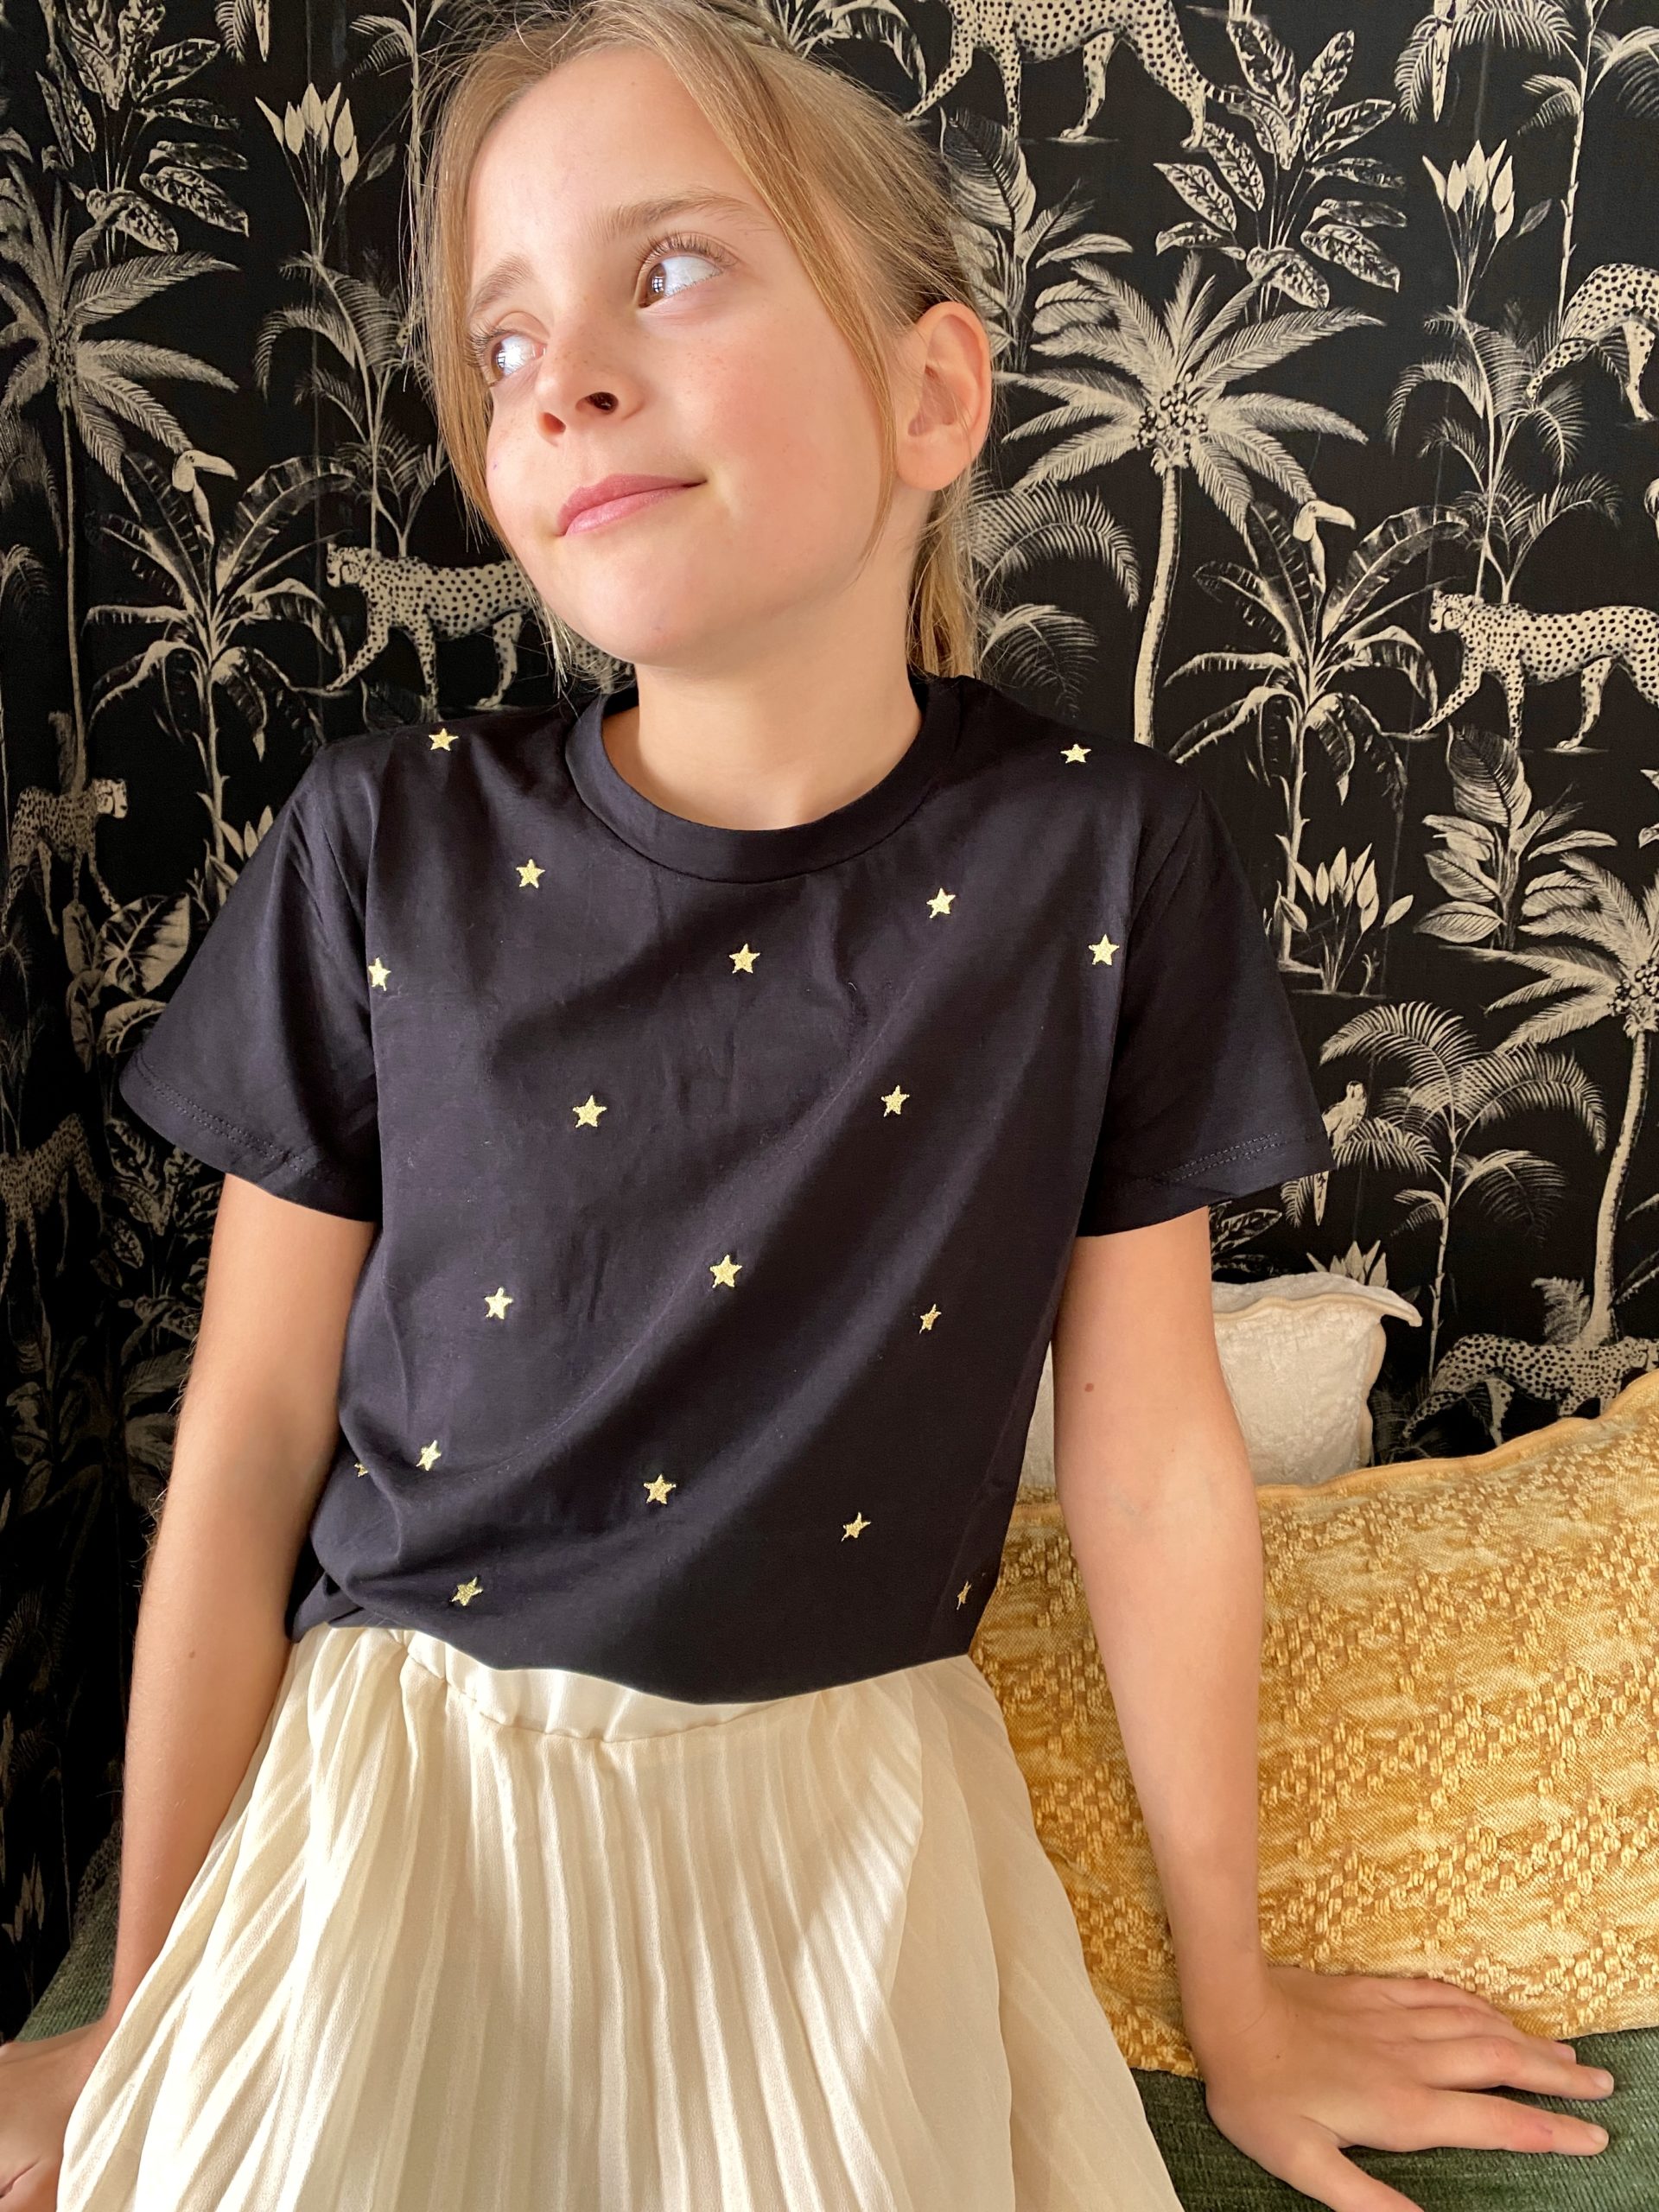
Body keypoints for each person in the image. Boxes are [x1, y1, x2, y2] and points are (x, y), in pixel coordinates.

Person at [3, 0, 1617, 2205]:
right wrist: (149, 2007)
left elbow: (1152, 1464)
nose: (557, 377)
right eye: (502, 337)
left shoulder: (1107, 858)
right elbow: (249, 1442)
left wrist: (1235, 1998)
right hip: (413, 1772)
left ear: (930, 392)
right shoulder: (381, 841)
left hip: (852, 1820)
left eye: (667, 269)